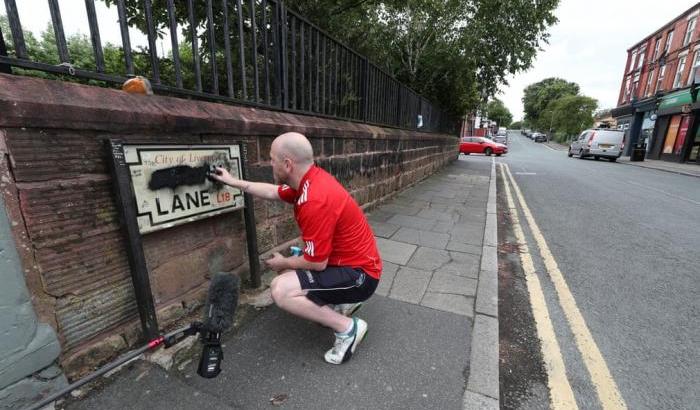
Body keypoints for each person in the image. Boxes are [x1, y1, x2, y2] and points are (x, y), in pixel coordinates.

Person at [210, 132, 382, 364]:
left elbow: (316, 263)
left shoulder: (314, 200)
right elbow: (271, 191)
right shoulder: (310, 180)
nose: (270, 163)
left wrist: (283, 263)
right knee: (293, 268)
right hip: (352, 265)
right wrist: (232, 181)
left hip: (360, 276)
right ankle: (340, 303)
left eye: (272, 159)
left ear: (287, 164)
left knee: (281, 288)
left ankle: (347, 328)